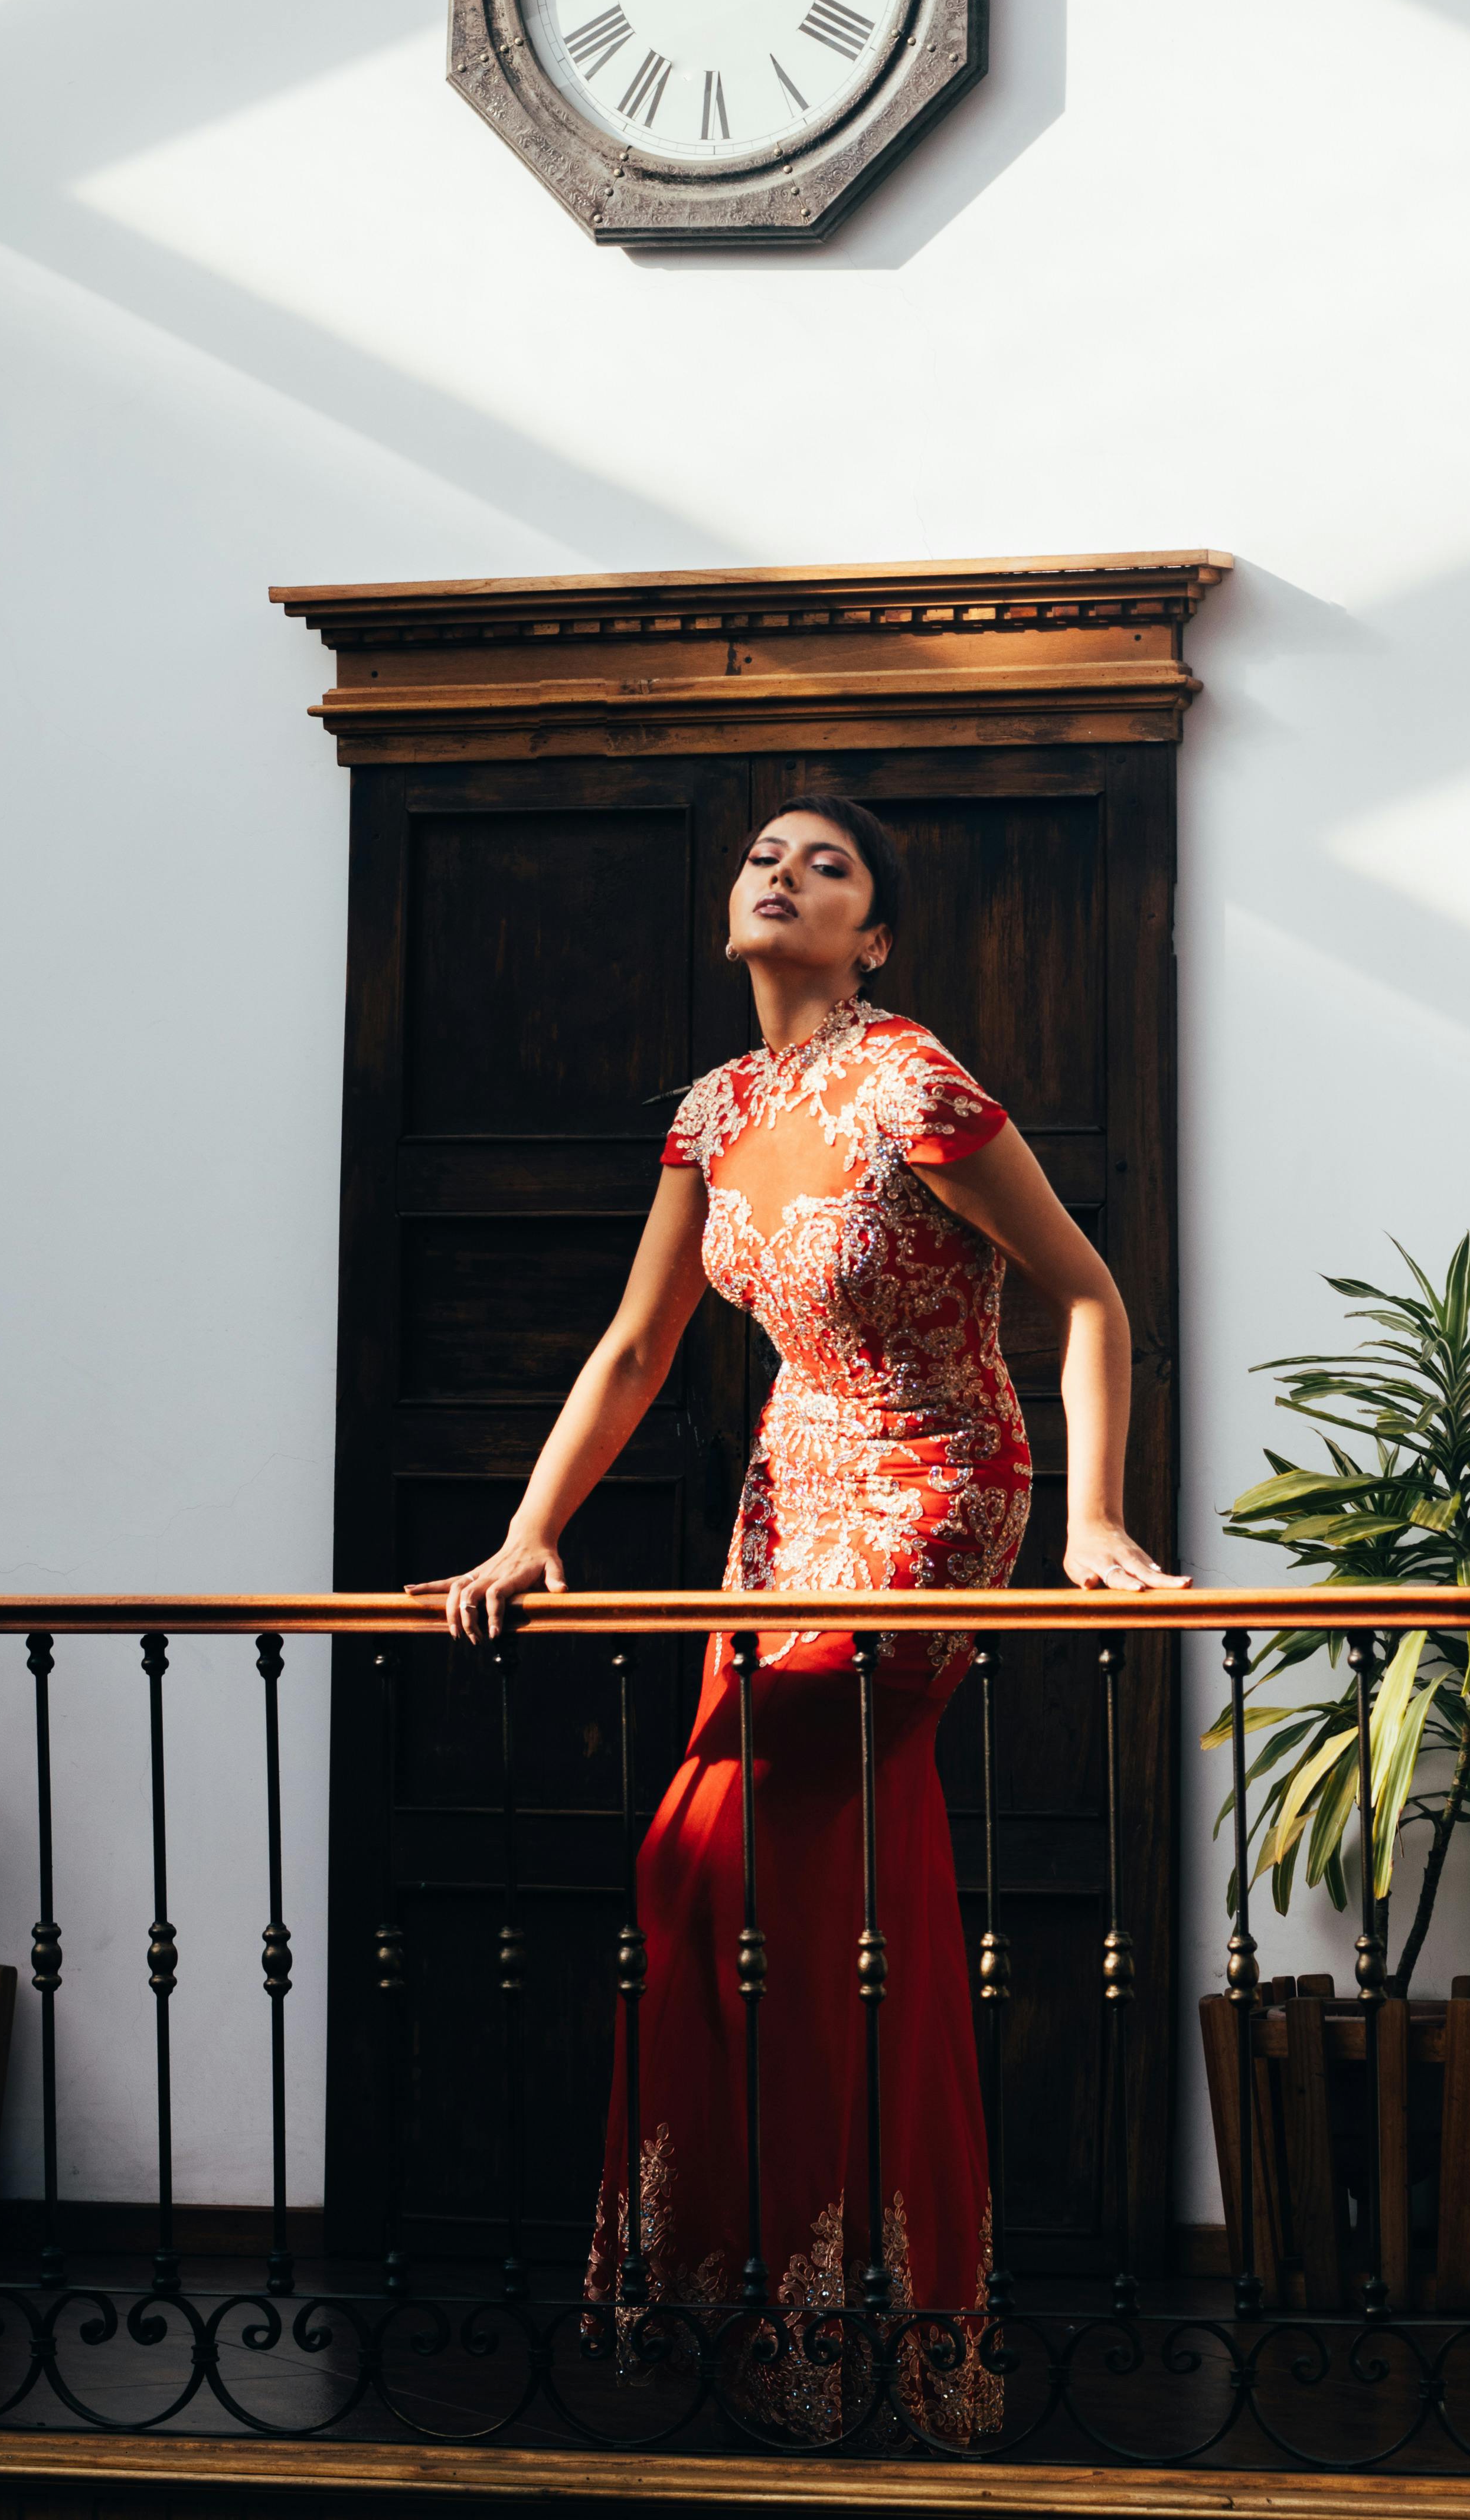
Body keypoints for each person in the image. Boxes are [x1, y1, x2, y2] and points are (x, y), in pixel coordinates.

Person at [413, 797, 1184, 2426]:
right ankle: (771, 2307)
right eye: (763, 856)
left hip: (932, 1482)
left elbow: (1090, 1294)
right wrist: (525, 1535)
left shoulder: (914, 1077)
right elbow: (636, 1348)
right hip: (784, 1501)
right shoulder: (717, 1106)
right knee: (746, 1877)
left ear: (875, 935)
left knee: (743, 1846)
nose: (782, 873)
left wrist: (1098, 1518)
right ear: (730, 912)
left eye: (825, 864)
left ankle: (850, 2306)